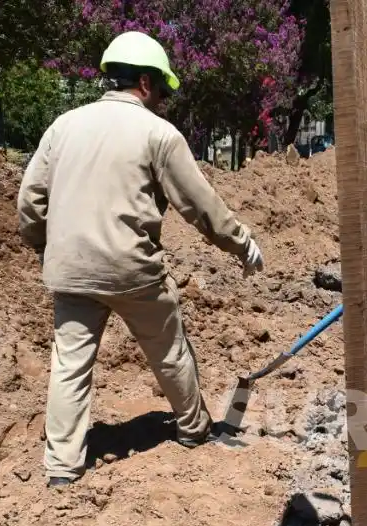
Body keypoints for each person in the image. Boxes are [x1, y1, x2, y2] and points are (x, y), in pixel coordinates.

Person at [17, 32, 264, 488]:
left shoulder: (63, 125)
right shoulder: (158, 134)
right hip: (132, 269)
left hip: (70, 269)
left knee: (69, 365)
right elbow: (201, 205)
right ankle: (193, 428)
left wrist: (43, 247)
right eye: (163, 92)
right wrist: (241, 243)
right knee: (169, 351)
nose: (164, 102)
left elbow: (30, 201)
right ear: (146, 84)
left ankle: (61, 468)